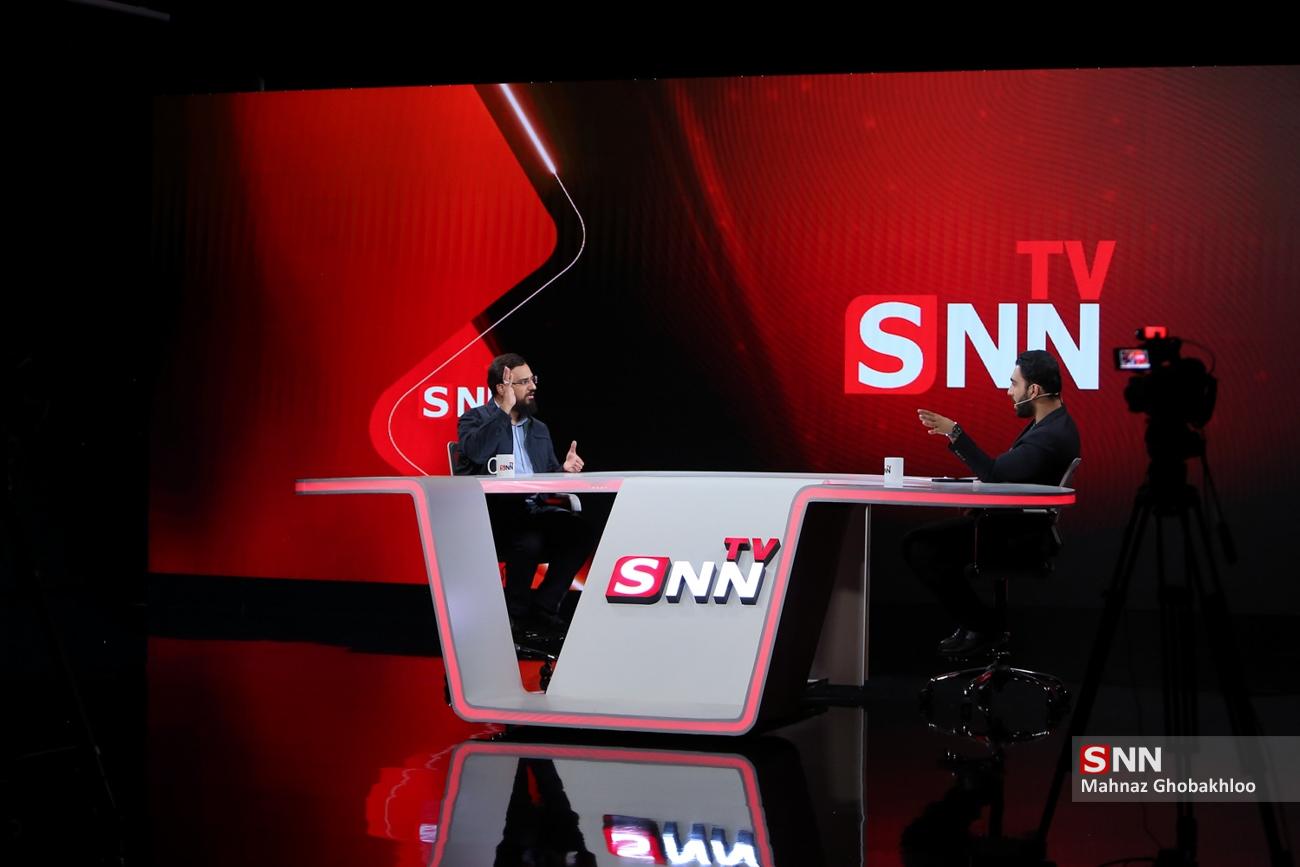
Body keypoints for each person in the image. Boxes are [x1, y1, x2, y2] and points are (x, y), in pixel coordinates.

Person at [904, 349, 1081, 657]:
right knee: (927, 544)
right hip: (1010, 525)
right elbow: (1009, 474)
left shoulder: (1051, 435)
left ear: (1034, 391)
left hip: (1014, 535)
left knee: (918, 546)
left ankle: (982, 627)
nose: (1009, 392)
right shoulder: (1053, 424)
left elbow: (996, 474)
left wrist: (954, 433)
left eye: (1014, 384)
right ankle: (976, 624)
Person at [457, 353, 592, 644]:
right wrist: (503, 413)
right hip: (494, 514)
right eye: (524, 382)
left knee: (580, 531)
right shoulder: (474, 419)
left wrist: (563, 471)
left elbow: (547, 479)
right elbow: (476, 453)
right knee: (529, 540)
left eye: (533, 379)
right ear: (501, 387)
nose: (533, 386)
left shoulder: (538, 428)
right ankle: (514, 617)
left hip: (533, 509)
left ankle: (544, 608)